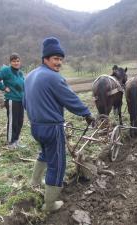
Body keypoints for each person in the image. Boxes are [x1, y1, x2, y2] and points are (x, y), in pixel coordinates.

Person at [23, 37, 95, 212]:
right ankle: (49, 205)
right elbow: (70, 99)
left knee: (45, 153)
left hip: (35, 126)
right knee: (58, 164)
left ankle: (34, 181)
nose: (59, 63)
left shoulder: (30, 75)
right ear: (45, 59)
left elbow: (24, 101)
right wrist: (87, 113)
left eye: (61, 59)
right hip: (51, 128)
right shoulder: (53, 77)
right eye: (55, 59)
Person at [0, 53, 25, 149]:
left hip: (20, 100)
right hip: (11, 100)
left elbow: (23, 87)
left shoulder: (20, 73)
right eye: (14, 61)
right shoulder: (6, 70)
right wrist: (3, 87)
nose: (16, 63)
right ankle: (10, 143)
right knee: (13, 121)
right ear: (10, 62)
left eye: (18, 61)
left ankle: (16, 141)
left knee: (19, 122)